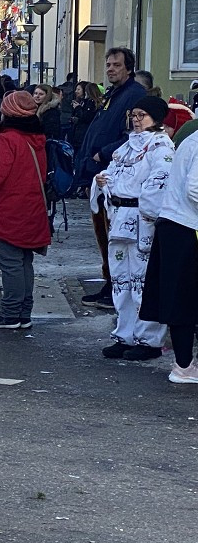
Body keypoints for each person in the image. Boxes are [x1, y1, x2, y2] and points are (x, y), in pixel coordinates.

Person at [91, 96, 174, 360]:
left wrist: (144, 207)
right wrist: (103, 181)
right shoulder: (127, 146)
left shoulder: (161, 148)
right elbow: (114, 171)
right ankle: (125, 332)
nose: (137, 121)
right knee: (121, 279)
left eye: (142, 115)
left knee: (143, 280)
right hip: (119, 218)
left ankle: (149, 339)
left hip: (142, 220)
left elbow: (160, 184)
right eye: (134, 115)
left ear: (156, 118)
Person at [0, 91, 52, 329]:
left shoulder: (8, 140)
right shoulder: (36, 139)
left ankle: (11, 314)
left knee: (10, 264)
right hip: (29, 208)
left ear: (8, 113)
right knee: (23, 262)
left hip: (7, 210)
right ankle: (23, 312)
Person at [79, 47, 147, 310]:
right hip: (101, 177)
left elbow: (132, 136)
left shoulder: (134, 95)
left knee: (113, 235)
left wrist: (102, 153)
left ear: (128, 68)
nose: (110, 69)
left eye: (116, 65)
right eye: (108, 64)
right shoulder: (114, 94)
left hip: (117, 178)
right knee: (102, 233)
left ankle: (115, 285)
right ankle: (109, 281)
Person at [140, 121, 198, 383]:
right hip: (185, 227)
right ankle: (184, 366)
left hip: (176, 224)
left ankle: (184, 365)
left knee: (181, 299)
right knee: (184, 300)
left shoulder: (192, 138)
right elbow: (194, 188)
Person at [68, 81, 102, 154]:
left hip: (83, 135)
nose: (76, 91)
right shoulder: (84, 102)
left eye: (78, 89)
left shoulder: (90, 103)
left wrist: (78, 108)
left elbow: (86, 117)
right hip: (79, 135)